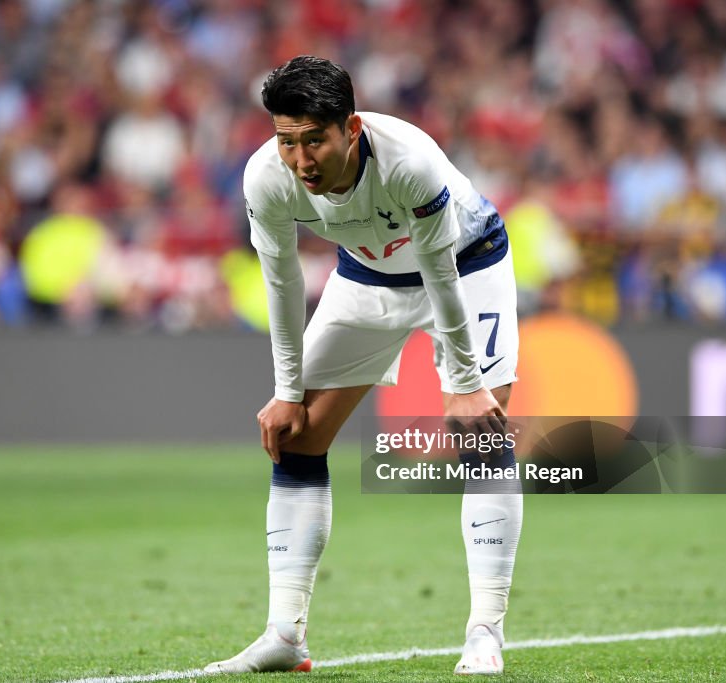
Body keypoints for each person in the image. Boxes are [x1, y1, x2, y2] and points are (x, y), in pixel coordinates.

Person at [204, 56, 522, 676]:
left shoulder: (409, 160)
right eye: (286, 141)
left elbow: (440, 273)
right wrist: (286, 389)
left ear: (350, 129)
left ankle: (486, 630)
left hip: (468, 266)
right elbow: (282, 280)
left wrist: (462, 386)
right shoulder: (266, 177)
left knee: (482, 434)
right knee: (295, 437)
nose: (300, 161)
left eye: (314, 140)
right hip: (365, 277)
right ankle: (284, 634)